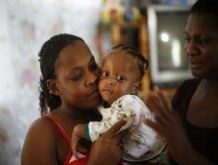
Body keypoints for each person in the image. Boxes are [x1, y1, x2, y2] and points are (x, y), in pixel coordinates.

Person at [21, 33, 128, 165]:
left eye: (93, 66)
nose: (92, 78)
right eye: (77, 76)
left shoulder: (113, 113)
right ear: (55, 87)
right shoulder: (42, 133)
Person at [144, 0, 218, 164]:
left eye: (204, 40)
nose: (190, 49)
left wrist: (184, 153)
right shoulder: (186, 91)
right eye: (188, 38)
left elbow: (180, 151)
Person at [71, 44, 166, 163]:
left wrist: (80, 130)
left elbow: (112, 128)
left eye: (120, 78)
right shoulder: (106, 104)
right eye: (105, 74)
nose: (110, 81)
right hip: (137, 158)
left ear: (134, 88)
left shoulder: (130, 103)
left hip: (159, 158)